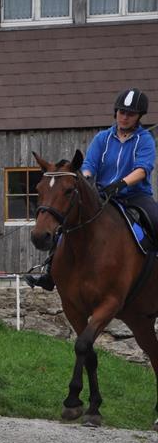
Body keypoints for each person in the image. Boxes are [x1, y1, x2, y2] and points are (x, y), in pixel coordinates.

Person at [27, 87, 153, 291]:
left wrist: (120, 184)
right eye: (122, 112)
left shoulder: (144, 140)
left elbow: (142, 170)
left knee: (156, 222)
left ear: (139, 117)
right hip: (102, 195)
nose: (125, 117)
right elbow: (88, 167)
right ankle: (50, 273)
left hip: (135, 196)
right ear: (116, 112)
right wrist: (82, 180)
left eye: (130, 114)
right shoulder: (102, 138)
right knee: (67, 221)